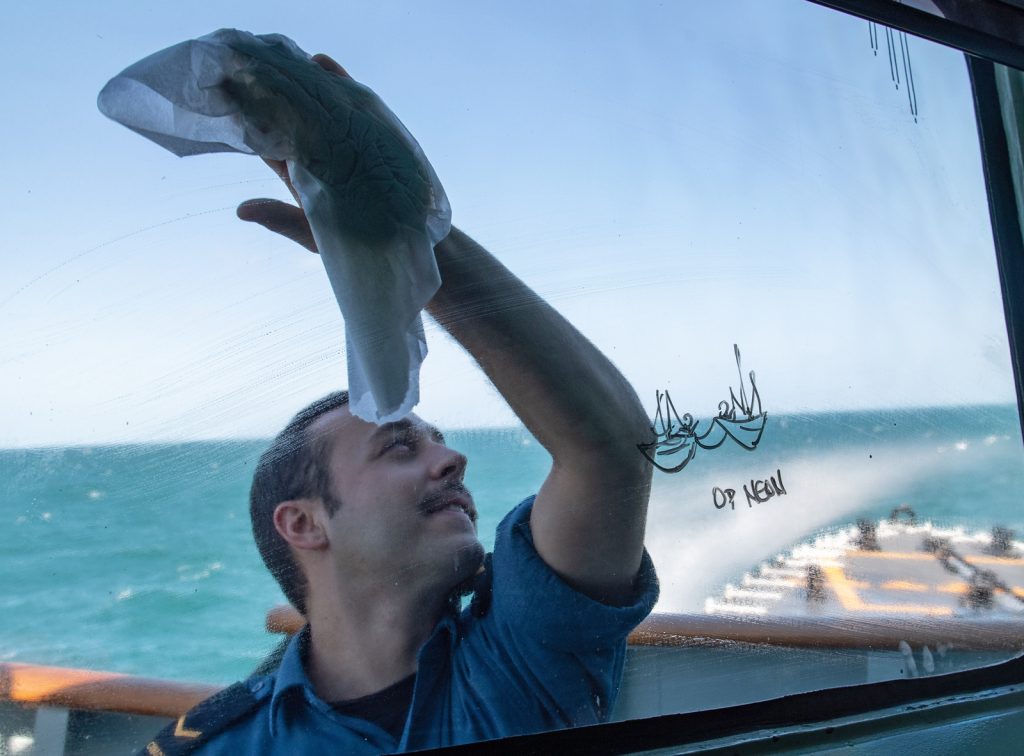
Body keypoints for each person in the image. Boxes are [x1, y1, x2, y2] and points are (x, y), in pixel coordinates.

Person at [142, 54, 657, 755]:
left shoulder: (520, 659)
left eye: (433, 439)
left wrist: (411, 235)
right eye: (399, 445)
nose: (453, 458)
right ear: (303, 523)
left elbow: (610, 453)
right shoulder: (222, 746)